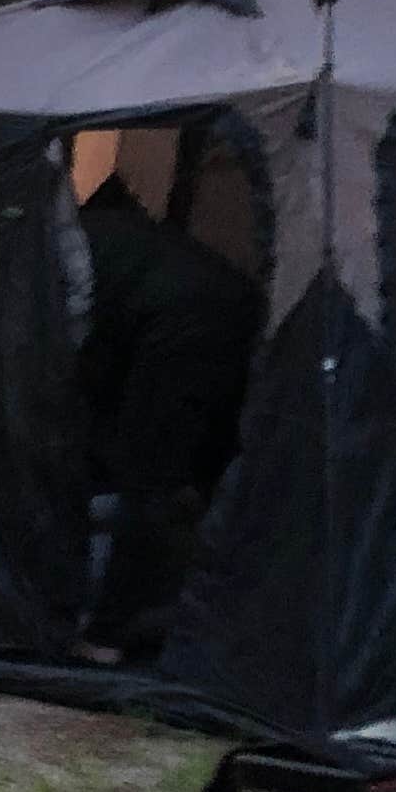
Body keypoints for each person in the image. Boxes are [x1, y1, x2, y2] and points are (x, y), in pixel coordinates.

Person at [74, 173, 261, 659]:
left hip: (181, 326)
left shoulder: (43, 255)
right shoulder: (89, 233)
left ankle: (108, 635)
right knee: (186, 471)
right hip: (210, 311)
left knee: (151, 476)